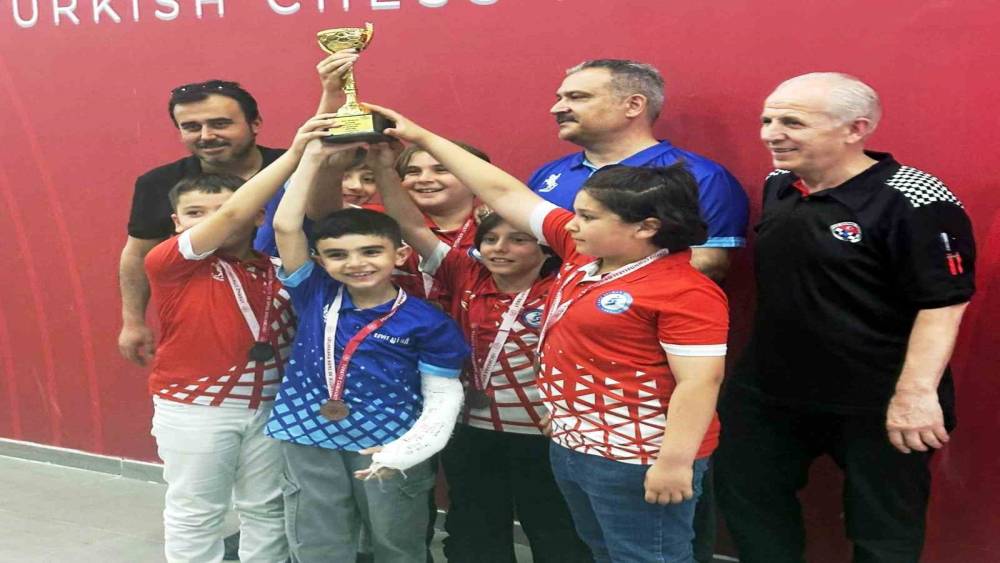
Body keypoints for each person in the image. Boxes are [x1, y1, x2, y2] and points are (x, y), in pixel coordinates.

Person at [367, 103, 730, 563]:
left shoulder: (682, 288)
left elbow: (700, 381)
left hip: (638, 457)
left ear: (646, 227)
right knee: (600, 553)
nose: (572, 224)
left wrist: (675, 462)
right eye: (575, 213)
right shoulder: (583, 258)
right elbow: (504, 192)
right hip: (572, 446)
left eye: (589, 217)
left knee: (646, 557)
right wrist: (421, 136)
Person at [714, 72, 976, 563]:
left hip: (877, 396)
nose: (772, 134)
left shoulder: (915, 196)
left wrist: (915, 395)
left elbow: (942, 302)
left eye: (793, 122)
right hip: (769, 390)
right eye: (767, 120)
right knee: (747, 498)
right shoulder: (780, 184)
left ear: (856, 129)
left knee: (884, 529)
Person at [370, 142, 591, 562]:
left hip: (543, 430)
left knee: (556, 529)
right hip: (470, 425)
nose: (499, 248)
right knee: (474, 528)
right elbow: (410, 226)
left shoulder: (569, 284)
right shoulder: (465, 273)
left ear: (547, 248)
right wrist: (384, 169)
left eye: (518, 239)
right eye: (489, 239)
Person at [262, 136, 469, 563]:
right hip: (307, 432)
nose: (356, 263)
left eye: (371, 251)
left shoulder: (428, 321)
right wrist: (311, 157)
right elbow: (285, 227)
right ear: (321, 261)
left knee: (396, 540)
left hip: (389, 441)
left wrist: (407, 451)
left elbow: (443, 396)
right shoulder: (314, 292)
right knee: (317, 539)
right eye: (338, 255)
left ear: (401, 254)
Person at [144, 114, 339, 562]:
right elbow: (232, 214)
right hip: (196, 406)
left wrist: (310, 158)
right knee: (197, 511)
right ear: (177, 223)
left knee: (268, 508)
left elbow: (291, 221)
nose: (213, 220)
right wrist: (295, 153)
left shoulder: (279, 269)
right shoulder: (169, 263)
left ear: (259, 214)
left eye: (225, 209)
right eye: (196, 214)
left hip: (273, 405)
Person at [119, 50, 359, 367]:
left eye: (220, 124)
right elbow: (138, 254)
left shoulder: (298, 163)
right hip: (217, 339)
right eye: (191, 127)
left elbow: (324, 214)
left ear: (255, 123)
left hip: (308, 316)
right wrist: (133, 320)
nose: (206, 136)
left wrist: (331, 95)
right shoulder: (158, 183)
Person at [528, 58, 749, 284]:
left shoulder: (702, 176)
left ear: (634, 105)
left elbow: (708, 262)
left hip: (631, 304)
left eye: (577, 97)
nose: (557, 109)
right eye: (559, 98)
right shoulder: (548, 175)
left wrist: (600, 291)